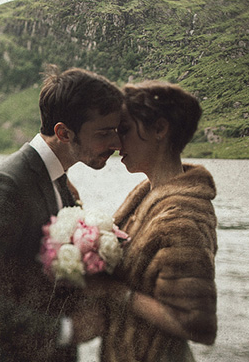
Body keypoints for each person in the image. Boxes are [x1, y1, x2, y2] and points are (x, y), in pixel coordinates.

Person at [0, 65, 124, 362]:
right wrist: (65, 330)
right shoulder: (6, 185)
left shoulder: (59, 181)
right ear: (63, 132)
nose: (116, 144)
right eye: (105, 133)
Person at [80, 80, 218, 361]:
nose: (117, 143)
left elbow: (198, 325)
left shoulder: (182, 217)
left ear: (160, 129)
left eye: (126, 130)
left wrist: (117, 294)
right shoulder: (146, 197)